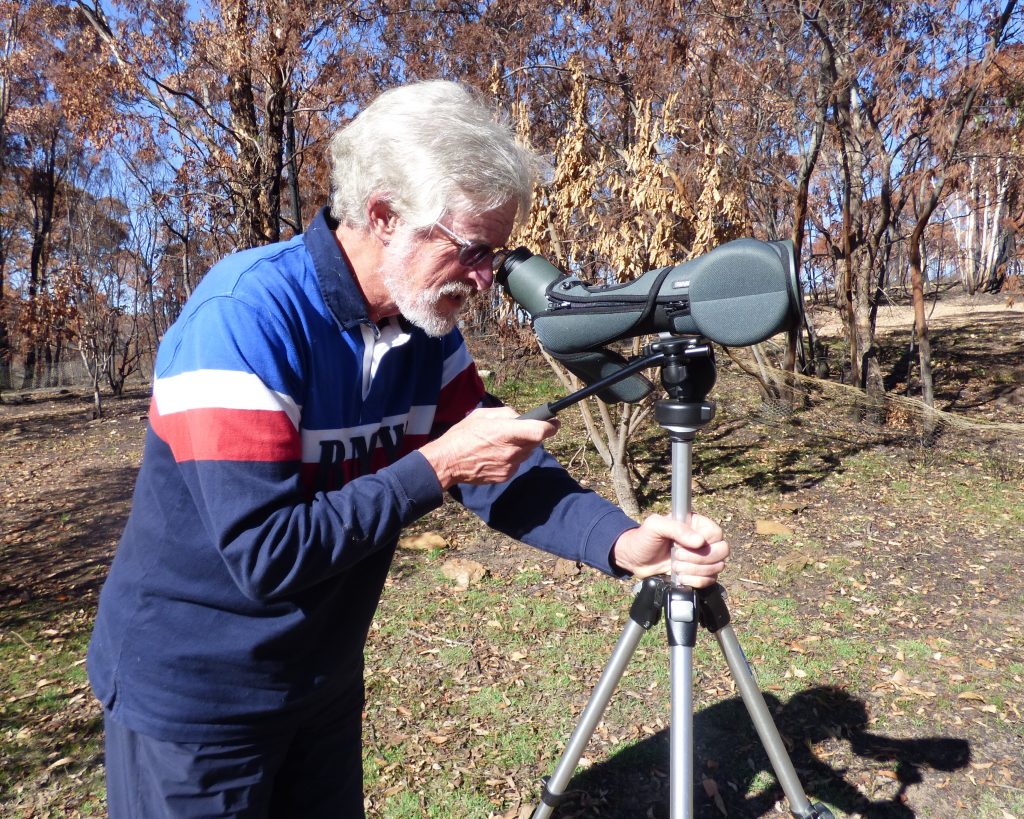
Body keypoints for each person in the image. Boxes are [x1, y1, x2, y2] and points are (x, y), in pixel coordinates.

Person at [87, 79, 730, 818]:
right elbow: (266, 554)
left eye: (498, 253)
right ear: (384, 215)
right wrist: (439, 465)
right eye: (474, 250)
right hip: (193, 699)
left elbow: (502, 475)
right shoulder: (244, 319)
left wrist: (623, 542)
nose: (488, 279)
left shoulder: (427, 336)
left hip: (321, 683)